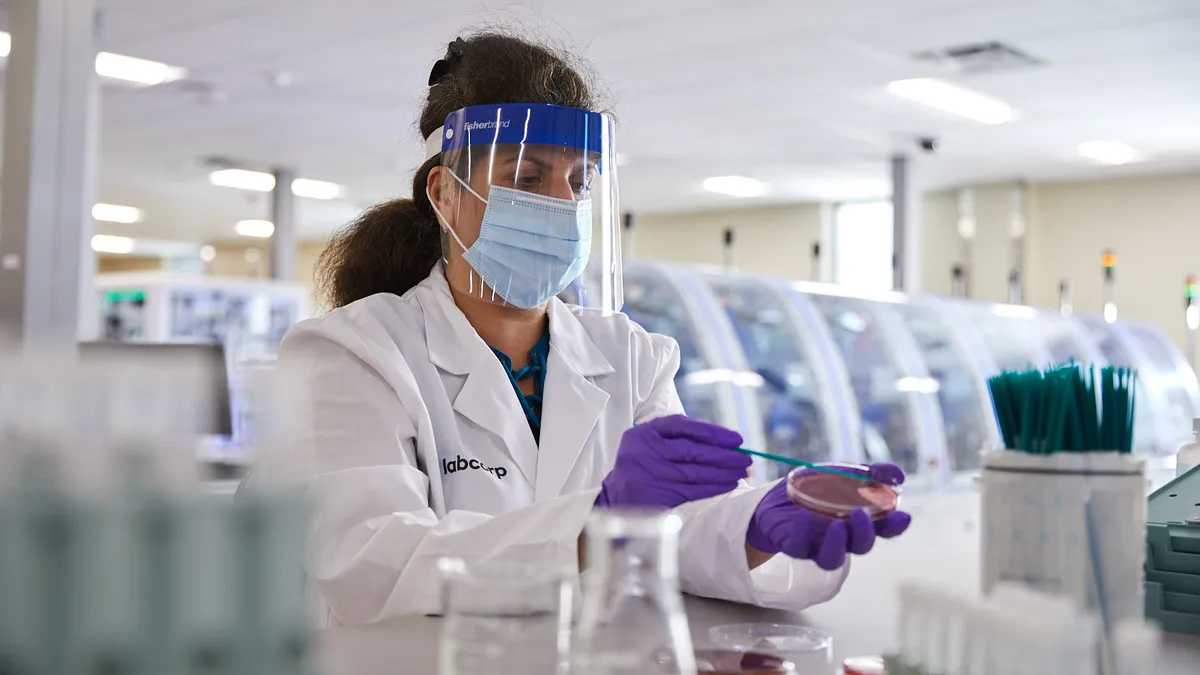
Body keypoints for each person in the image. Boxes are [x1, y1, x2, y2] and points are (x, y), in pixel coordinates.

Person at [267, 31, 911, 627]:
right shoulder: (354, 352)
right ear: (445, 194)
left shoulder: (630, 354)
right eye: (526, 178)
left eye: (580, 181)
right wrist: (597, 517)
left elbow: (676, 535)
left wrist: (756, 525)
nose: (559, 205)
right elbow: (370, 563)